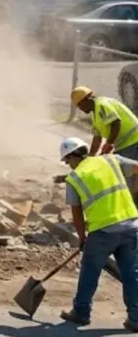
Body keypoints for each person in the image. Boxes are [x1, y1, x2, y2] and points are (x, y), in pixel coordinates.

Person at [58, 136, 138, 330]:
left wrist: (82, 237)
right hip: (131, 224)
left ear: (73, 156)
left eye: (67, 160)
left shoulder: (75, 178)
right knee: (132, 273)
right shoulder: (111, 159)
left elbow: (76, 212)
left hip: (103, 230)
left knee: (89, 271)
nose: (68, 165)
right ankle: (136, 318)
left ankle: (81, 312)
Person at [71, 86, 138, 159]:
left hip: (133, 142)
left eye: (79, 105)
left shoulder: (102, 105)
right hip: (125, 145)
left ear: (86, 99)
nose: (80, 108)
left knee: (125, 168)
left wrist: (109, 143)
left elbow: (116, 123)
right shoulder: (95, 114)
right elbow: (97, 137)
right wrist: (91, 156)